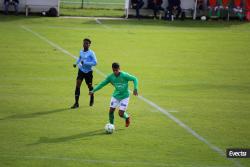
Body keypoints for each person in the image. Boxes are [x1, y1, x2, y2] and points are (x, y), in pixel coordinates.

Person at [89, 62, 138, 127]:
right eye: (114, 70)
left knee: (120, 114)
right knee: (111, 111)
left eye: (116, 70)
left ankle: (127, 117)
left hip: (125, 97)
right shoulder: (110, 77)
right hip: (116, 96)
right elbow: (102, 84)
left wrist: (135, 88)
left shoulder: (124, 75)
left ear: (119, 69)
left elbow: (135, 79)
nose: (115, 72)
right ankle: (111, 125)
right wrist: (93, 90)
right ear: (112, 69)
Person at [71, 38, 97, 109]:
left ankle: (92, 98)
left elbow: (95, 63)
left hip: (88, 72)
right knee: (78, 85)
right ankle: (76, 103)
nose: (84, 44)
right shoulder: (81, 51)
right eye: (84, 43)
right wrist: (76, 63)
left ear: (89, 45)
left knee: (89, 87)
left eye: (86, 43)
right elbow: (79, 58)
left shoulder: (91, 53)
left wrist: (85, 63)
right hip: (81, 70)